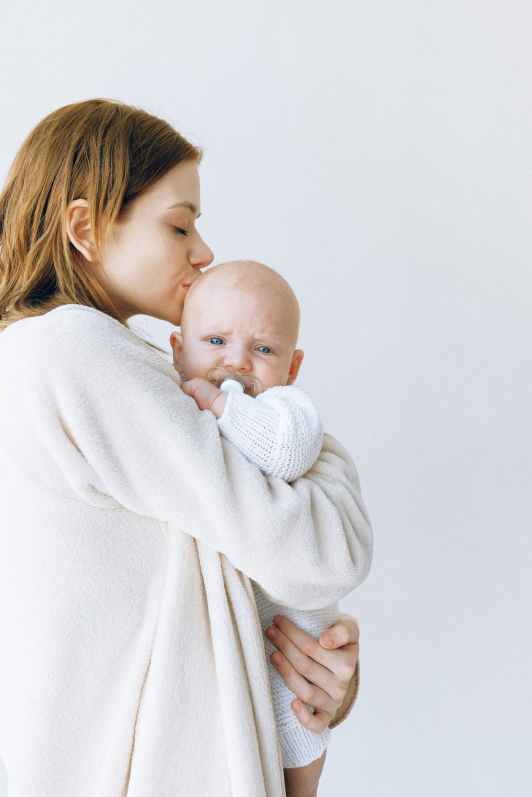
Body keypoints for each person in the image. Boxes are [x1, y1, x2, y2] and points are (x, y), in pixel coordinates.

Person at [0, 99, 373, 797]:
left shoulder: (62, 363)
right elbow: (325, 555)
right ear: (84, 227)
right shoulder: (74, 351)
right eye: (179, 225)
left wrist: (312, 671)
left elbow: (234, 565)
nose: (203, 252)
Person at [169, 258, 370, 797]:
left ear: (293, 367)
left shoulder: (286, 411)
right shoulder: (164, 402)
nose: (237, 361)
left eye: (263, 349)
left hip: (291, 633)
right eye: (215, 341)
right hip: (232, 659)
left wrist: (222, 406)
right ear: (177, 349)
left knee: (298, 731)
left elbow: (285, 453)